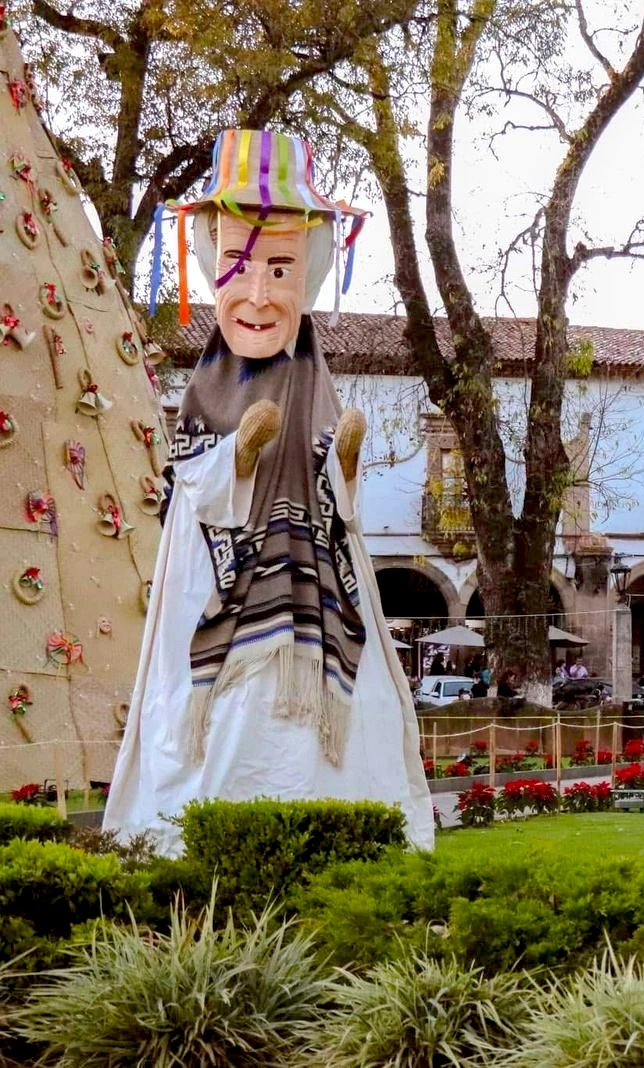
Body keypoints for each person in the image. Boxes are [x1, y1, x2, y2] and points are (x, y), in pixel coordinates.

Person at [104, 129, 433, 854]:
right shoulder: (205, 392)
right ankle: (196, 842)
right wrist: (238, 459)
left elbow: (342, 518)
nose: (257, 294)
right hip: (215, 586)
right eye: (238, 265)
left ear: (308, 275)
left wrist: (342, 467)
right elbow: (193, 490)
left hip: (314, 595)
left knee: (313, 736)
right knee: (216, 726)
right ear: (210, 265)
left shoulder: (318, 390)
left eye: (279, 269)